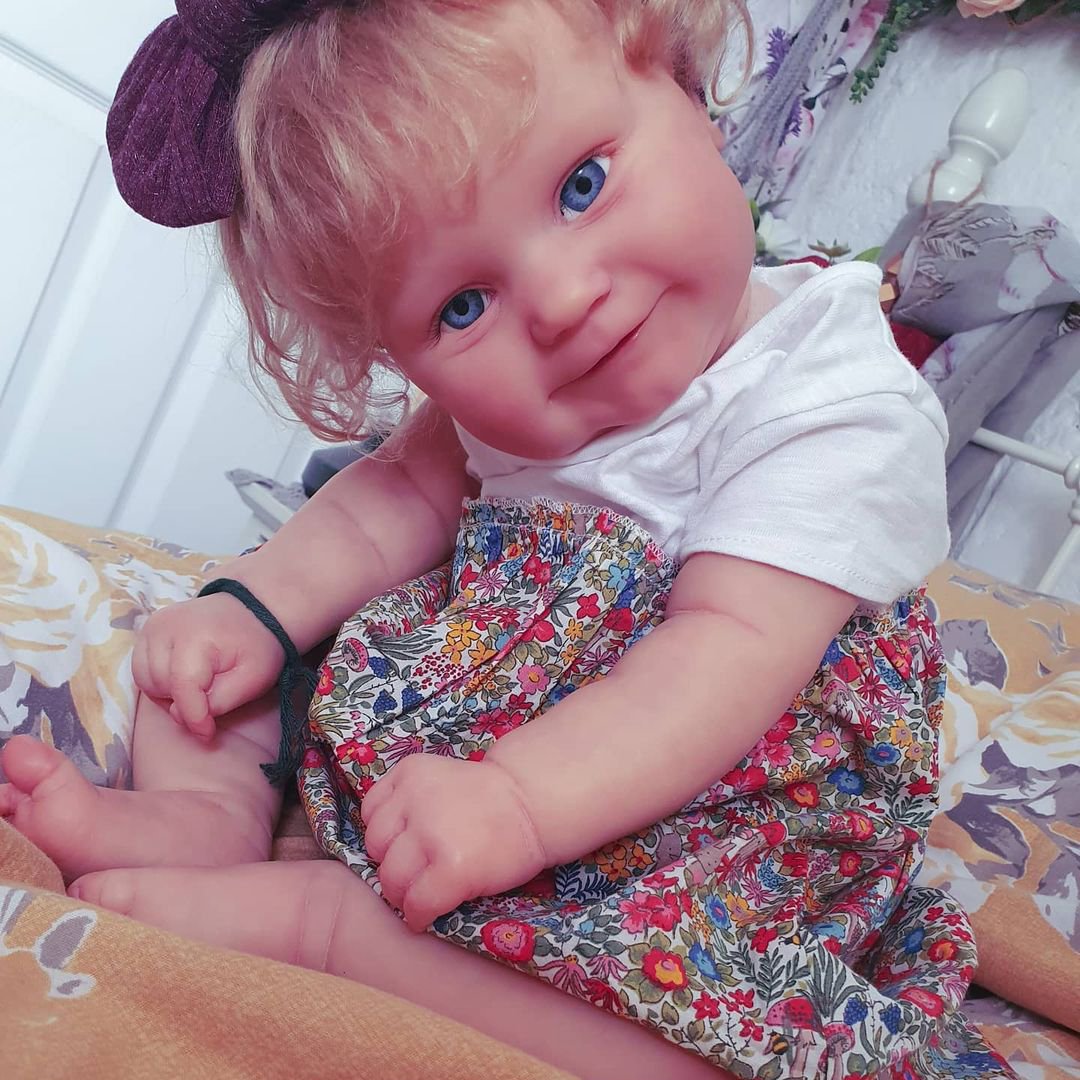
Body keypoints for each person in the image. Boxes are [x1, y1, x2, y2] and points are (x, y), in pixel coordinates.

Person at [0, 2, 1012, 1078]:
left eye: (582, 185)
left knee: (692, 1045)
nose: (563, 301)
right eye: (462, 305)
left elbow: (728, 650)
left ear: (680, 78)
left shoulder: (831, 399)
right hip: (474, 740)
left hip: (689, 806)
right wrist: (252, 609)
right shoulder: (512, 407)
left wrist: (517, 802)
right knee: (211, 660)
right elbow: (394, 495)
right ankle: (202, 815)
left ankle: (328, 930)